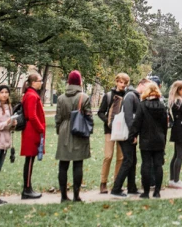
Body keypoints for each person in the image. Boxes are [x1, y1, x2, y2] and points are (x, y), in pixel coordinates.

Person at [55, 70, 93, 203]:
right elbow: (89, 116)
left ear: (69, 82)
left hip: (64, 130)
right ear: (80, 82)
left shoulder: (60, 98)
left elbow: (58, 118)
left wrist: (59, 130)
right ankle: (76, 195)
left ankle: (63, 196)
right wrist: (89, 129)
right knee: (78, 163)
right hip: (79, 129)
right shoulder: (84, 97)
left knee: (63, 164)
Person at [111, 78, 149, 197]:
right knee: (128, 161)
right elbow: (128, 117)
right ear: (141, 84)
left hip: (130, 133)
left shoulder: (135, 96)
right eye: (146, 87)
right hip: (127, 134)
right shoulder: (130, 96)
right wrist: (133, 134)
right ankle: (116, 189)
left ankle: (131, 187)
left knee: (133, 161)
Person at [129, 81, 168, 198]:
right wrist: (164, 139)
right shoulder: (162, 106)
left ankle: (146, 192)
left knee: (146, 165)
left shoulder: (142, 105)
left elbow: (137, 123)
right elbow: (164, 126)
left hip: (146, 139)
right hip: (159, 139)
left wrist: (133, 135)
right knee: (158, 166)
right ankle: (157, 191)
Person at [98, 73, 128, 193]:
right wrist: (109, 122)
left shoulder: (127, 96)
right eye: (121, 82)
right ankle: (103, 183)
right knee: (108, 156)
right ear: (116, 82)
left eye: (125, 83)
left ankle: (117, 182)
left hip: (122, 130)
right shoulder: (109, 96)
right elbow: (100, 112)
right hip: (110, 130)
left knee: (120, 157)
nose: (122, 85)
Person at [20, 72, 46, 199]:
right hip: (32, 131)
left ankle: (28, 187)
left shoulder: (31, 94)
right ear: (33, 82)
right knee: (29, 160)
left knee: (30, 160)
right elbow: (32, 115)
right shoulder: (31, 95)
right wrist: (41, 128)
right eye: (39, 80)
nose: (41, 82)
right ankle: (27, 189)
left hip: (31, 130)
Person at [168, 80, 182, 189]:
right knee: (180, 155)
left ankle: (172, 179)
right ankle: (176, 180)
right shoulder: (180, 102)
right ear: (179, 90)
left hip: (177, 129)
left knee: (176, 155)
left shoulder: (175, 101)